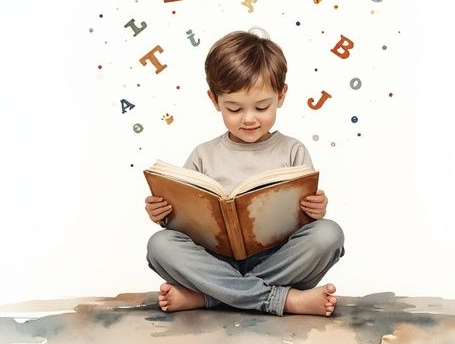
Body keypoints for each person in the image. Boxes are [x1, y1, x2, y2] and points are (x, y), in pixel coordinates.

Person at [144, 29, 345, 316]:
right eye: (234, 109)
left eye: (262, 107)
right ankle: (283, 300)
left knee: (328, 234)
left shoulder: (292, 151)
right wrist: (163, 214)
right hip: (213, 261)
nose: (249, 119)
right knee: (160, 245)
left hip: (277, 260)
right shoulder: (203, 154)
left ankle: (210, 297)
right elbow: (182, 226)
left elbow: (307, 225)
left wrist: (316, 209)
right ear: (215, 101)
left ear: (281, 95)